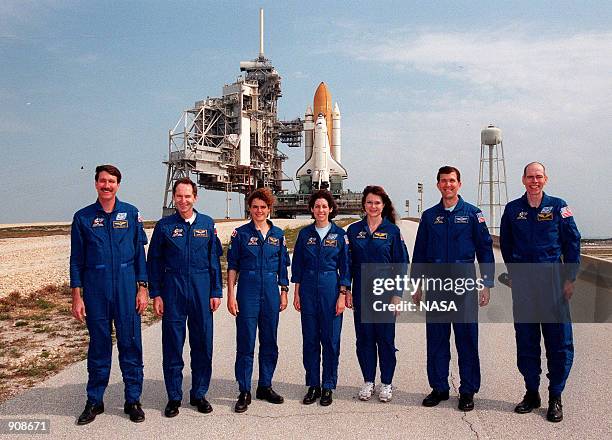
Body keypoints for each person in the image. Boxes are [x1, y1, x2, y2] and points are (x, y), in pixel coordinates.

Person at [500, 162, 580, 423]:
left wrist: (570, 278)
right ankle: (531, 392)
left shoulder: (558, 206)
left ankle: (555, 396)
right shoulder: (512, 210)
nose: (534, 181)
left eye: (538, 176)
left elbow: (572, 243)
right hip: (524, 287)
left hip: (553, 285)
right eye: (530, 177)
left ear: (545, 179)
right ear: (523, 180)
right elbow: (507, 244)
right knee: (526, 340)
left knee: (559, 342)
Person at [70, 164, 148, 425]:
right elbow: (76, 260)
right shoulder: (82, 218)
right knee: (99, 347)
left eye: (111, 181)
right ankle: (95, 401)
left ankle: (133, 400)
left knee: (130, 345)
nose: (107, 185)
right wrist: (77, 296)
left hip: (127, 289)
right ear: (96, 184)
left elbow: (140, 255)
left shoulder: (131, 213)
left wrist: (143, 288)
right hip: (96, 290)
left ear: (118, 185)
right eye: (103, 181)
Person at [411, 166, 495, 411]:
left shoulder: (473, 214)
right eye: (443, 181)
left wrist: (487, 283)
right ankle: (439, 388)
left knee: (466, 339)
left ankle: (468, 390)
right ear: (438, 185)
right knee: (436, 339)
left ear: (459, 184)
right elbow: (420, 253)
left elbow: (485, 250)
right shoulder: (429, 217)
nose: (448, 185)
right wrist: (417, 285)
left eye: (452, 181)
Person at [147, 178, 222, 418]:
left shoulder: (207, 224)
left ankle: (199, 393)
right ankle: (174, 397)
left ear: (195, 197)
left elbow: (214, 262)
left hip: (201, 289)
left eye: (187, 196)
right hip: (173, 290)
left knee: (202, 344)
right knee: (172, 346)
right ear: (174, 198)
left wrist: (216, 292)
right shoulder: (164, 227)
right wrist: (156, 293)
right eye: (179, 196)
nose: (183, 200)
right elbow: (154, 262)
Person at [226, 188, 290, 413]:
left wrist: (284, 291)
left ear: (269, 209)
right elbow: (233, 266)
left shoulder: (278, 235)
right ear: (249, 209)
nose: (259, 211)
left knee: (269, 341)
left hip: (271, 291)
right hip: (248, 290)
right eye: (255, 207)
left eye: (263, 207)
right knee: (246, 341)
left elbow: (283, 266)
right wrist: (231, 295)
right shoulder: (240, 234)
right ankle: (244, 390)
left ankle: (265, 385)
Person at [346, 185, 409, 402]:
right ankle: (368, 381)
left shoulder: (392, 231)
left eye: (377, 203)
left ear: (383, 206)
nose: (373, 206)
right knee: (364, 339)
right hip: (362, 294)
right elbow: (347, 264)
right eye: (369, 202)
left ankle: (387, 383)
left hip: (386, 294)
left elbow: (401, 264)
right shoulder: (353, 231)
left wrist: (398, 294)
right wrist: (346, 290)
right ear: (364, 204)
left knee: (385, 340)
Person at [291, 190, 351, 406]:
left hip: (331, 289)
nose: (321, 210)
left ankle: (328, 386)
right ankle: (313, 385)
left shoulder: (339, 235)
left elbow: (345, 267)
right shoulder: (305, 235)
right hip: (307, 289)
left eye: (324, 206)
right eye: (317, 206)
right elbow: (297, 265)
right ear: (312, 209)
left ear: (331, 209)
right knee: (310, 340)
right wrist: (297, 293)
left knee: (331, 340)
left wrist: (342, 295)